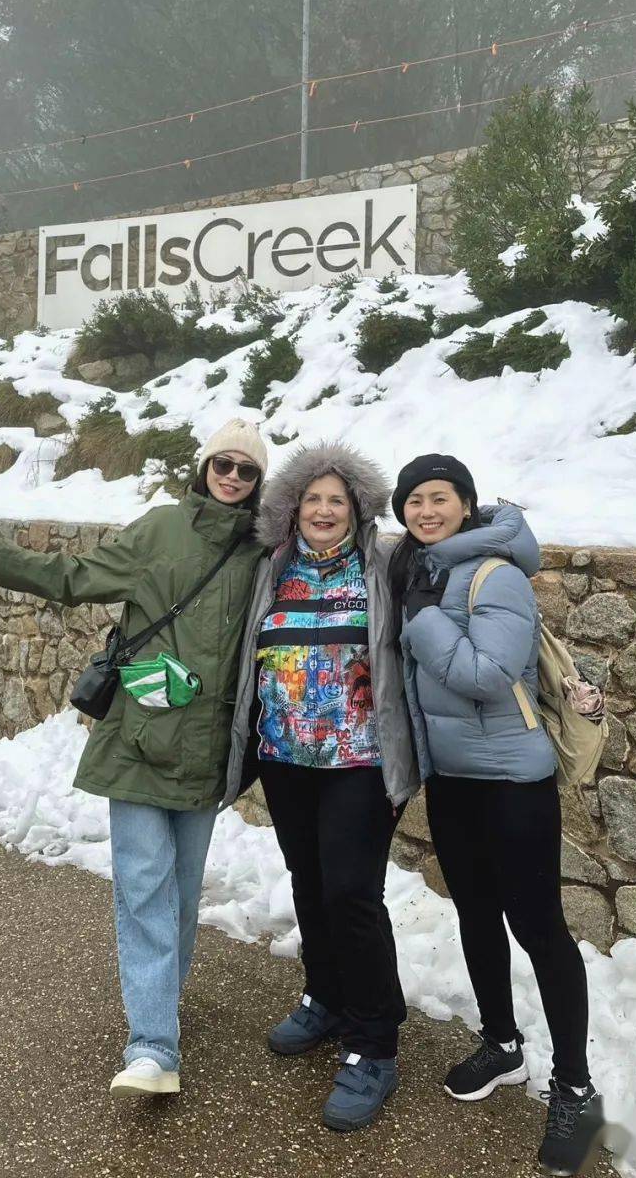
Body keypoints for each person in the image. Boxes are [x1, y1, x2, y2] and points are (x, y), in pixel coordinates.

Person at [0, 418, 268, 1101]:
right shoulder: (160, 529)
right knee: (143, 885)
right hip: (143, 737)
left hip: (206, 748)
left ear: (260, 482)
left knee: (177, 893)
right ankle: (152, 1046)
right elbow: (74, 577)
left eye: (247, 469)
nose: (232, 476)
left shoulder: (265, 549)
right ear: (202, 466)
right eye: (223, 463)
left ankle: (160, 1007)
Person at [388, 453, 604, 1178]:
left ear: (467, 503)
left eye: (438, 498)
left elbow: (484, 676)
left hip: (514, 780)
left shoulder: (496, 574)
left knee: (538, 925)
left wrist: (420, 621)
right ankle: (503, 1044)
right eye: (413, 500)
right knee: (475, 915)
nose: (425, 511)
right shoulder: (419, 574)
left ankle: (575, 1085)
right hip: (453, 781)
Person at [223, 441, 418, 1133]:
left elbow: (452, 553)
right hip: (286, 758)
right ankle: (327, 996)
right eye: (313, 499)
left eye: (338, 500)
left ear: (358, 508)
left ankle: (375, 1043)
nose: (325, 510)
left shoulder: (384, 565)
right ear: (292, 509)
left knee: (352, 894)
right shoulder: (273, 570)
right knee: (308, 881)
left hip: (360, 761)